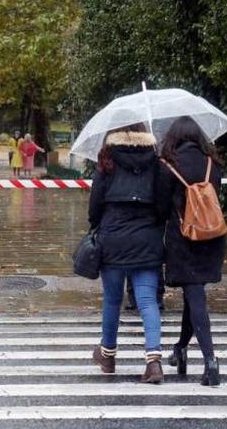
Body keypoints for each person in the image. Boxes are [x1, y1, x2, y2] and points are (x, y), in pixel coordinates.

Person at [88, 123, 165, 384]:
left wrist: (99, 222)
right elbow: (163, 204)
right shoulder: (156, 161)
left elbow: (94, 206)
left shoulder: (107, 159)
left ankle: (108, 356)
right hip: (147, 239)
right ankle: (153, 362)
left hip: (113, 239)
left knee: (112, 300)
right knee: (147, 301)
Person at [159, 116, 226, 386]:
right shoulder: (213, 165)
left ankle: (211, 360)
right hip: (211, 236)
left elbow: (161, 208)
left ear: (173, 137)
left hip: (184, 240)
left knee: (194, 294)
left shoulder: (167, 167)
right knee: (193, 291)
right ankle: (180, 348)